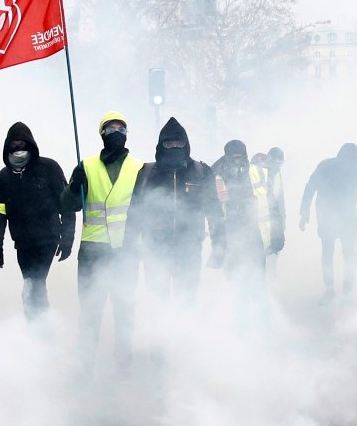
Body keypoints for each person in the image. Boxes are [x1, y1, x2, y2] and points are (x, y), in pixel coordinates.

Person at [64, 112, 144, 376]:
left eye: (122, 128)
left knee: (125, 310)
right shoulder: (85, 166)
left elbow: (148, 209)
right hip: (92, 251)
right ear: (102, 134)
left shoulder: (138, 167)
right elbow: (68, 206)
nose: (117, 132)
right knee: (90, 310)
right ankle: (84, 365)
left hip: (126, 251)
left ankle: (124, 365)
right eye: (111, 129)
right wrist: (74, 187)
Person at [0, 122, 75, 322]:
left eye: (22, 145)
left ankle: (41, 328)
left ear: (31, 146)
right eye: (14, 147)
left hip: (48, 238)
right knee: (30, 283)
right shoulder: (4, 177)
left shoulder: (49, 168)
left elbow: (67, 206)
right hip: (22, 242)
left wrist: (67, 239)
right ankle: (36, 327)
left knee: (35, 283)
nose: (18, 150)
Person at [132, 117, 220, 307]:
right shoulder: (146, 173)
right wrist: (131, 247)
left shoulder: (201, 171)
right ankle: (160, 336)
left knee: (187, 302)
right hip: (155, 251)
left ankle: (185, 335)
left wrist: (219, 245)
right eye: (168, 143)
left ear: (186, 144)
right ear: (160, 145)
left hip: (188, 250)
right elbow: (134, 212)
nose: (173, 147)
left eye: (178, 142)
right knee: (157, 303)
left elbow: (214, 212)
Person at [210, 140, 273, 319]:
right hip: (232, 235)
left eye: (240, 158)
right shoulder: (217, 176)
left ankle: (264, 321)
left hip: (255, 235)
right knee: (237, 283)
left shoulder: (258, 172)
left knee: (259, 282)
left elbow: (270, 202)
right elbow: (211, 210)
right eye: (233, 158)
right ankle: (241, 323)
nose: (237, 162)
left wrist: (276, 233)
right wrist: (218, 198)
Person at [300, 143, 357, 300]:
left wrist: (304, 212)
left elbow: (310, 187)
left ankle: (329, 290)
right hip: (347, 220)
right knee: (348, 255)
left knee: (327, 253)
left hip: (326, 217)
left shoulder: (325, 165)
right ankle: (347, 292)